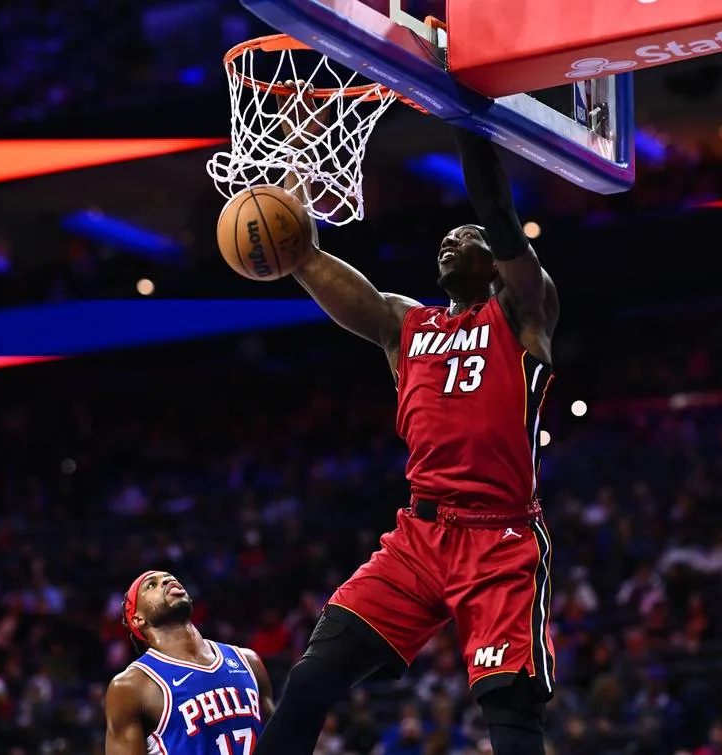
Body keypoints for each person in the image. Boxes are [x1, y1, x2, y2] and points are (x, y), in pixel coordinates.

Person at [257, 83, 560, 755]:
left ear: (498, 264)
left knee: (510, 715)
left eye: (467, 237)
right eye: (446, 238)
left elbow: (500, 213)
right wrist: (292, 181)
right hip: (419, 536)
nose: (453, 239)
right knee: (310, 679)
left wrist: (463, 119)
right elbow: (306, 257)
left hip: (499, 536)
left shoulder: (521, 315)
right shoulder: (405, 324)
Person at [104, 571, 275, 755]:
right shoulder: (132, 685)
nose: (167, 580)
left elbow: (281, 744)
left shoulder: (247, 661)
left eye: (169, 578)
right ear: (138, 619)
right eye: (151, 585)